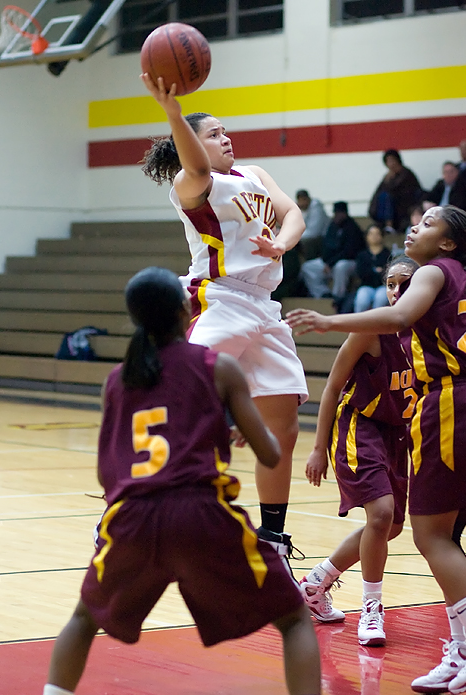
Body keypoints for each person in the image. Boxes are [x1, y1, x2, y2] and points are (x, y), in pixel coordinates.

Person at [37, 267, 323, 695]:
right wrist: (241, 427)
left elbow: (106, 472)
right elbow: (271, 455)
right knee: (292, 618)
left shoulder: (118, 378)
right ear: (185, 310)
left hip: (133, 516)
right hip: (201, 513)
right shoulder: (217, 366)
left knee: (83, 620)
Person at [286, 205, 466, 695]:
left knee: (430, 536)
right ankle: (462, 645)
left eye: (428, 223)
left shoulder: (436, 273)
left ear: (448, 243)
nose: (414, 227)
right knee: (446, 532)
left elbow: (399, 316)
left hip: (451, 405)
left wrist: (327, 320)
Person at [140, 75, 308, 562]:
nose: (225, 138)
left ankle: (272, 540)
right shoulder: (191, 182)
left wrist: (281, 244)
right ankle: (124, 510)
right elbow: (194, 161)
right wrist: (174, 113)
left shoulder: (253, 173)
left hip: (265, 307)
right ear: (192, 145)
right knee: (176, 404)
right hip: (219, 299)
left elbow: (292, 213)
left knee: (283, 426)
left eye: (224, 130)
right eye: (213, 134)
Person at [298, 256, 418, 647]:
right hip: (359, 426)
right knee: (381, 514)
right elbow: (332, 387)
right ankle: (371, 609)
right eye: (391, 283)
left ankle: (315, 583)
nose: (397, 290)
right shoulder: (372, 330)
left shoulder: (430, 335)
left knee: (390, 526)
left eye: (405, 282)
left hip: (399, 434)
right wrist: (318, 448)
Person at [300, 201, 365, 311]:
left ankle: (337, 297)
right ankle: (323, 293)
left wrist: (330, 263)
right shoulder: (332, 226)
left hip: (349, 262)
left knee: (341, 266)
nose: (337, 216)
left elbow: (349, 252)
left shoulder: (352, 227)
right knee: (307, 267)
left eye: (339, 213)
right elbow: (326, 246)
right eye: (335, 213)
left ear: (345, 213)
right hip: (330, 262)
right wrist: (326, 262)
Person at [368, 149, 422, 233]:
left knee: (387, 197)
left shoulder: (406, 174)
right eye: (388, 161)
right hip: (392, 206)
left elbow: (401, 191)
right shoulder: (388, 176)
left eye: (392, 160)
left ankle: (389, 224)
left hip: (404, 205)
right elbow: (378, 192)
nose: (391, 164)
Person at [353, 224, 392, 313]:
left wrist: (373, 271)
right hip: (366, 286)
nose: (374, 236)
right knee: (362, 301)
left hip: (382, 286)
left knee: (381, 299)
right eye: (371, 234)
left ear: (382, 236)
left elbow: (388, 273)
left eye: (377, 234)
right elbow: (361, 272)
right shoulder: (362, 255)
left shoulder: (387, 254)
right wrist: (376, 271)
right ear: (367, 237)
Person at [296, 189, 330, 261]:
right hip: (310, 236)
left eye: (303, 200)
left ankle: (309, 262)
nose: (301, 203)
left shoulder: (316, 208)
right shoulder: (301, 209)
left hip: (322, 238)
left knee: (305, 242)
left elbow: (314, 232)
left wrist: (295, 236)